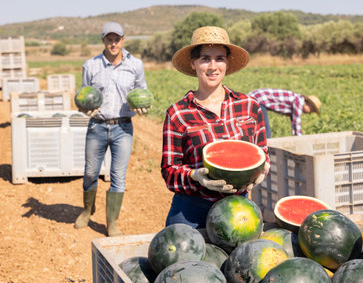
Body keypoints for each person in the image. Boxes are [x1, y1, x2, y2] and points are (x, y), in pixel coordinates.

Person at [161, 26, 271, 229]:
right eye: (205, 59)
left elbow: (262, 153)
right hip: (191, 211)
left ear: (227, 63)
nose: (213, 66)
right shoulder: (177, 113)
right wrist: (196, 177)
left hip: (238, 210)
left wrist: (262, 170)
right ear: (194, 63)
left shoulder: (249, 106)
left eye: (220, 58)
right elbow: (169, 171)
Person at [74, 22, 149, 237]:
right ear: (103, 40)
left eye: (117, 39)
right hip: (97, 125)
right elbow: (84, 94)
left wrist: (143, 104)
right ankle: (87, 210)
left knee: (118, 176)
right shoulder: (90, 66)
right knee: (90, 172)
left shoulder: (135, 65)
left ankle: (112, 222)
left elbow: (142, 91)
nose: (113, 42)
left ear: (123, 40)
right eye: (109, 38)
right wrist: (84, 108)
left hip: (123, 127)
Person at [248, 89, 321, 138]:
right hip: (258, 100)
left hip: (256, 99)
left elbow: (293, 123)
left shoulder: (297, 100)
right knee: (266, 132)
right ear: (308, 103)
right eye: (311, 110)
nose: (309, 113)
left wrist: (295, 137)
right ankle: (264, 152)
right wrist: (299, 140)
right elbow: (296, 123)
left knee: (254, 128)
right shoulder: (299, 102)